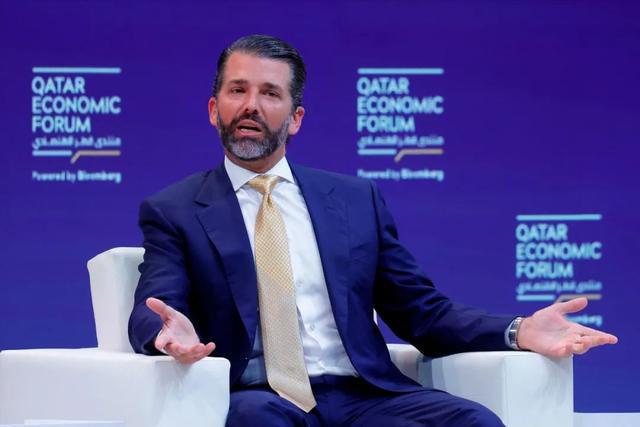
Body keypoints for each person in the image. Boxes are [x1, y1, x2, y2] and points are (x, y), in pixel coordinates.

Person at [128, 34, 617, 427]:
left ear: (295, 119)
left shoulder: (354, 200)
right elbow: (154, 306)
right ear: (214, 109)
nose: (251, 105)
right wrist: (165, 335)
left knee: (472, 421)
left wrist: (518, 330)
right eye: (237, 90)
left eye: (270, 93)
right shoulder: (175, 210)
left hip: (364, 395)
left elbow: (422, 312)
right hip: (259, 396)